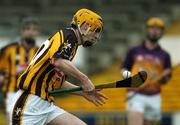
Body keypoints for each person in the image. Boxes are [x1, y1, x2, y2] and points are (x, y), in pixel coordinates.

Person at [9, 8, 107, 125]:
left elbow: (58, 82)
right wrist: (85, 79)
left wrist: (82, 92)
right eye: (95, 30)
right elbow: (58, 61)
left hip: (45, 104)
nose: (96, 36)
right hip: (29, 103)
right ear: (85, 26)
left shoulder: (71, 45)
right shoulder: (68, 36)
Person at [121, 17, 172, 125]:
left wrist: (163, 77)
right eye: (152, 28)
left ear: (162, 32)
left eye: (158, 29)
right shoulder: (134, 50)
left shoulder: (165, 55)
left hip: (154, 96)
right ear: (147, 30)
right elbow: (123, 68)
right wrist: (129, 77)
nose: (155, 31)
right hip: (135, 94)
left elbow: (165, 80)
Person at [0, 17, 39, 121]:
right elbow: (1, 69)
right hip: (11, 91)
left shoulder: (39, 51)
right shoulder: (8, 49)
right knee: (13, 120)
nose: (30, 32)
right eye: (27, 29)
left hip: (31, 94)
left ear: (37, 32)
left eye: (33, 29)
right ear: (22, 31)